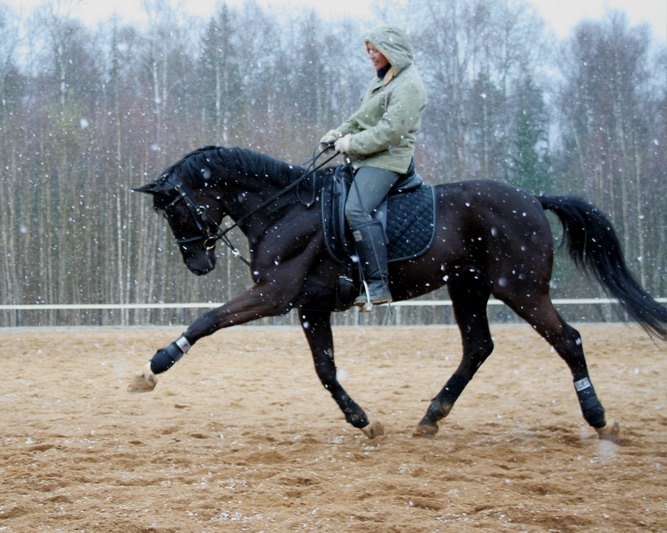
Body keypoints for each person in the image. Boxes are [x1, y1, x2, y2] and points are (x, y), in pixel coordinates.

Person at [319, 25, 426, 309]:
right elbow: (360, 118)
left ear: (392, 52)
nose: (371, 55)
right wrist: (338, 133)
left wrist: (350, 143)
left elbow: (391, 132)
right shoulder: (383, 81)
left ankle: (378, 284)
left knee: (356, 209)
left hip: (387, 159)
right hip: (366, 157)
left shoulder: (408, 85)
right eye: (368, 50)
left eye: (375, 50)